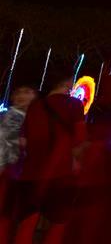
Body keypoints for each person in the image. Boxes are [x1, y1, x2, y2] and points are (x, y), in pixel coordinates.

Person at [9, 74, 86, 244]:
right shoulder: (74, 104)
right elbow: (79, 139)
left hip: (31, 173)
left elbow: (25, 140)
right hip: (60, 173)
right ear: (67, 84)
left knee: (27, 223)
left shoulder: (35, 105)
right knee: (57, 224)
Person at [0, 86, 35, 240]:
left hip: (17, 172)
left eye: (27, 92)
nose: (22, 95)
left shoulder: (28, 117)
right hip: (9, 171)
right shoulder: (14, 115)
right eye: (19, 92)